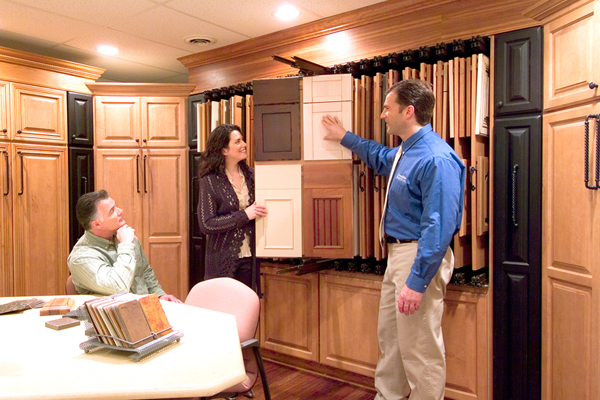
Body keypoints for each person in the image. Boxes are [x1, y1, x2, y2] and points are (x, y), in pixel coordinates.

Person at [322, 79, 465, 400]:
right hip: (399, 256)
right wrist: (345, 137)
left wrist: (416, 281)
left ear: (409, 111)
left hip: (419, 256)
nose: (383, 115)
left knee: (420, 347)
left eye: (388, 108)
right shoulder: (407, 150)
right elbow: (381, 157)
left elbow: (438, 227)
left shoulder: (436, 158)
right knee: (392, 339)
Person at [67, 190, 181, 303]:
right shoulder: (80, 257)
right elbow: (118, 287)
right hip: (113, 318)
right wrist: (126, 245)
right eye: (112, 211)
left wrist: (159, 295)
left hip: (147, 310)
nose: (120, 211)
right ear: (97, 224)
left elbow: (145, 272)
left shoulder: (124, 236)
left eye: (115, 206)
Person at [197, 124, 267, 293]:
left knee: (248, 310)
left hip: (251, 257)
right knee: (223, 311)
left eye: (242, 140)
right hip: (221, 259)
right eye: (237, 141)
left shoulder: (252, 176)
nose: (244, 144)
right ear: (224, 150)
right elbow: (207, 224)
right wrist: (244, 215)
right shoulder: (210, 181)